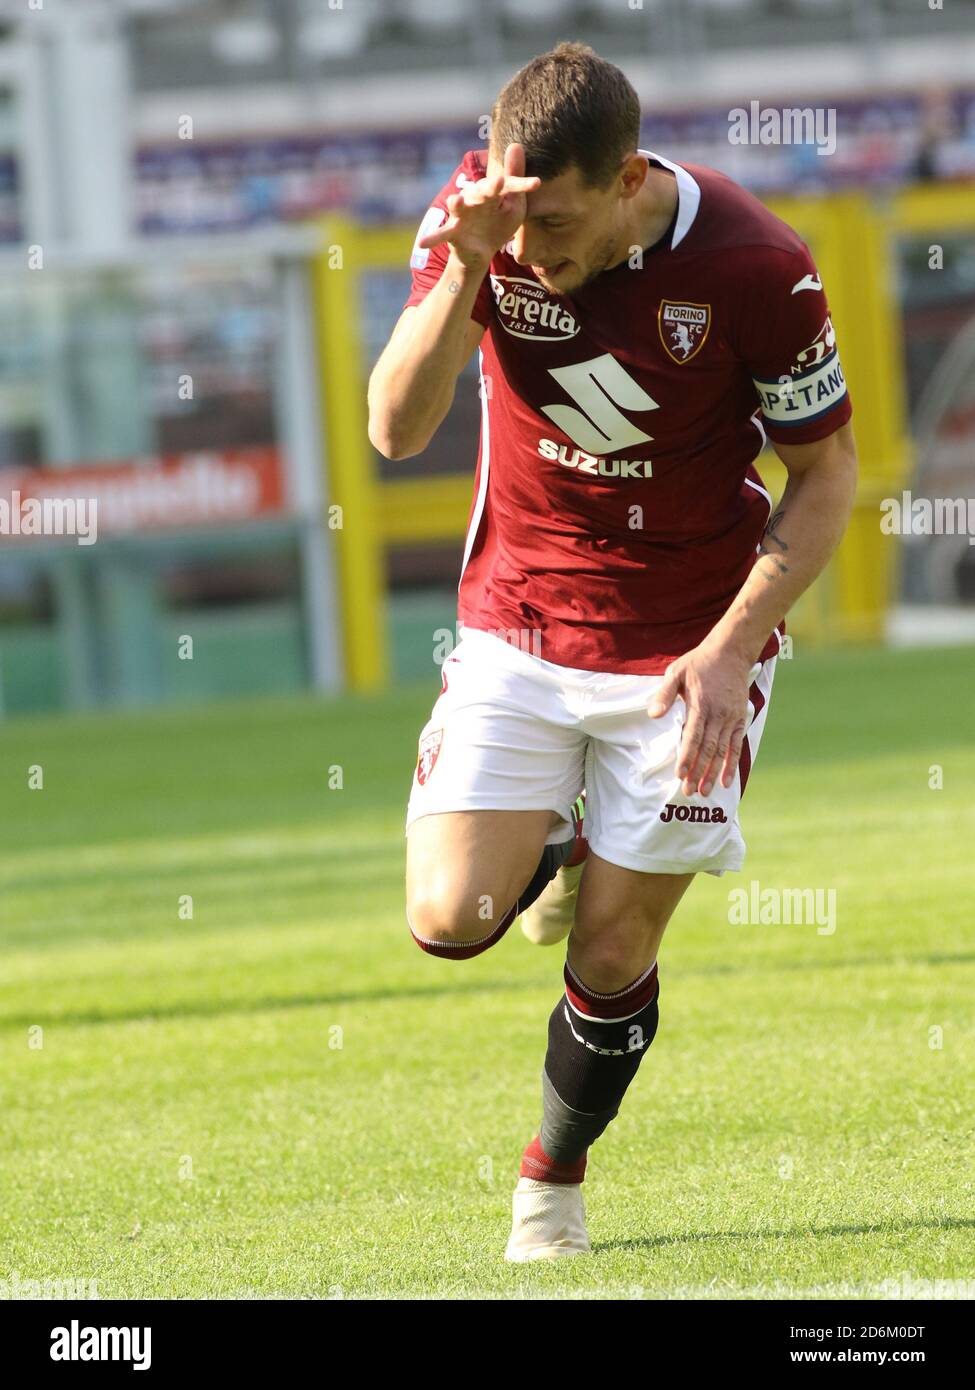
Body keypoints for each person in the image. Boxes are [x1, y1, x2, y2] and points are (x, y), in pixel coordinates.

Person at [367, 42, 857, 1261]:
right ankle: (561, 836)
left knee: (616, 945)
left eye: (563, 226)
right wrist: (465, 268)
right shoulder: (484, 222)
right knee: (450, 916)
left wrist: (736, 649)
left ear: (632, 174)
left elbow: (829, 471)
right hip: (521, 615)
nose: (539, 256)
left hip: (691, 638)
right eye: (520, 229)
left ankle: (552, 1181)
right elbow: (393, 426)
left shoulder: (760, 267)